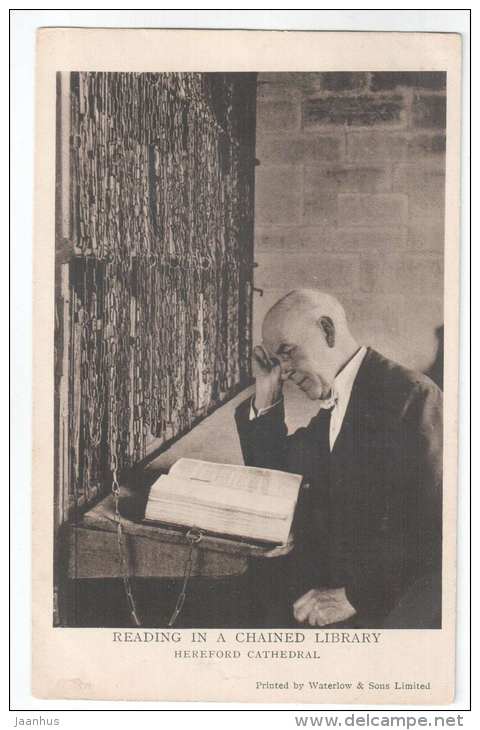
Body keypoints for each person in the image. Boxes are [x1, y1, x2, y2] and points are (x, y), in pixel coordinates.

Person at [235, 289, 443, 629]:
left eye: (287, 353)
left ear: (327, 330)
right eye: (277, 361)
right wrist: (267, 390)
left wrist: (355, 597)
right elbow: (281, 472)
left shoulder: (411, 395)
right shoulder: (339, 401)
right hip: (330, 591)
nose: (284, 371)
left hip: (386, 609)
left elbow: (435, 531)